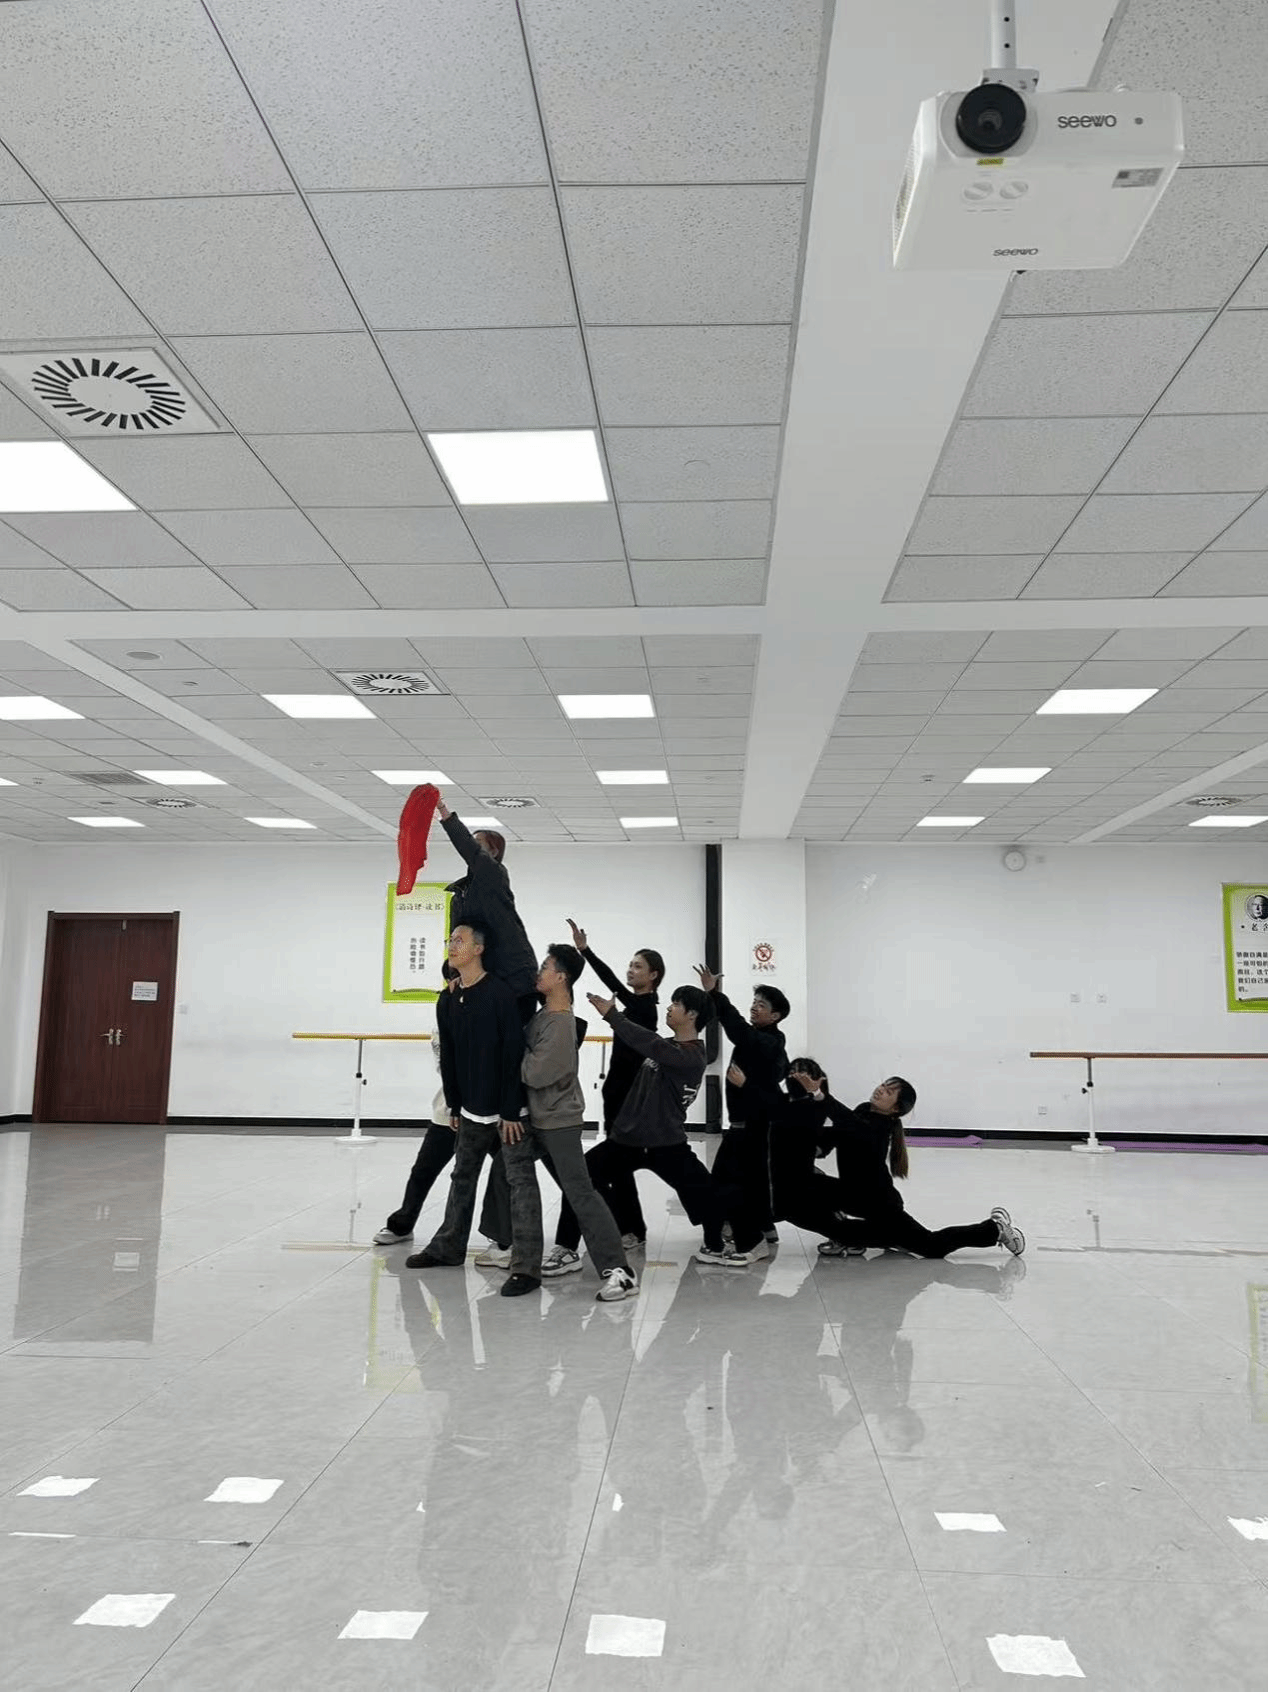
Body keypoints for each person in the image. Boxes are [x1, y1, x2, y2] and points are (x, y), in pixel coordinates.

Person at [719, 1065, 1024, 1264]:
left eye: (889, 1092)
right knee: (793, 1194)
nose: (881, 1090)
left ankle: (994, 1230)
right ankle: (749, 1224)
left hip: (878, 1205)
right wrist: (810, 1146)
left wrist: (819, 1095)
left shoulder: (881, 1127)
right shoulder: (865, 1110)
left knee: (931, 1246)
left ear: (896, 1109)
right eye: (883, 1085)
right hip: (848, 1193)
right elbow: (835, 1134)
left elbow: (850, 1126)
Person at [541, 984, 730, 1276]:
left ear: (692, 1014)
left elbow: (649, 1043)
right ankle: (566, 1248)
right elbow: (649, 1046)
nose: (669, 1008)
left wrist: (613, 1016)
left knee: (703, 1191)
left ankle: (716, 1245)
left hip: (665, 1143)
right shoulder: (668, 1046)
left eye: (676, 1004)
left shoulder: (691, 1056)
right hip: (627, 1142)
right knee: (580, 1180)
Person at [498, 944, 638, 1301]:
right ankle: (511, 1246)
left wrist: (508, 1049)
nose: (539, 973)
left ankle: (620, 1271)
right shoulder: (545, 1014)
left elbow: (534, 1073)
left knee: (581, 1192)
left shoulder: (560, 1023)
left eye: (545, 967)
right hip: (540, 1119)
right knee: (519, 1177)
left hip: (558, 1122)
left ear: (561, 977)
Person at [405, 924, 526, 1272]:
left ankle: (514, 1246)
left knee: (512, 1179)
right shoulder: (449, 999)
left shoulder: (499, 994)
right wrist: (455, 1104)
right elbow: (450, 1056)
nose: (452, 946)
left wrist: (510, 1109)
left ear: (478, 949)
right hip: (470, 1109)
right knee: (462, 1176)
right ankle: (448, 1247)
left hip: (504, 1113)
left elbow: (512, 1054)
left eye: (459, 941)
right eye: (450, 940)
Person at [372, 977, 509, 1261]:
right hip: (450, 1111)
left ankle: (502, 1237)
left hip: (489, 1111)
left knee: (505, 1172)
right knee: (424, 1169)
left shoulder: (490, 1008)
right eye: (451, 981)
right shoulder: (446, 1016)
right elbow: (446, 1067)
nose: (456, 986)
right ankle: (402, 1224)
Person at [563, 917, 665, 1248]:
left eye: (638, 967)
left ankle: (630, 1229)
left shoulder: (644, 1007)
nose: (631, 971)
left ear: (653, 975)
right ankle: (628, 1228)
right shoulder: (635, 1004)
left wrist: (586, 951)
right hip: (616, 1093)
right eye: (630, 965)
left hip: (628, 1098)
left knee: (617, 1165)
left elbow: (610, 980)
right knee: (618, 1167)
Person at [694, 967, 789, 1244]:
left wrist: (715, 994)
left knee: (733, 1176)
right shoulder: (764, 1039)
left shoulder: (769, 1041)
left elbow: (738, 1031)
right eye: (754, 1002)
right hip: (745, 1123)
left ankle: (737, 1226)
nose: (754, 1008)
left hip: (754, 1124)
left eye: (762, 1005)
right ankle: (762, 1226)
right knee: (749, 1176)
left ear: (775, 1016)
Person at [437, 799, 538, 1019]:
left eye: (478, 844)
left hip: (514, 979)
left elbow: (470, 851)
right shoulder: (460, 894)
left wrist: (445, 813)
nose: (472, 847)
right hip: (486, 981)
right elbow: (458, 939)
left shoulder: (495, 875)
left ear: (493, 852)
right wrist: (453, 973)